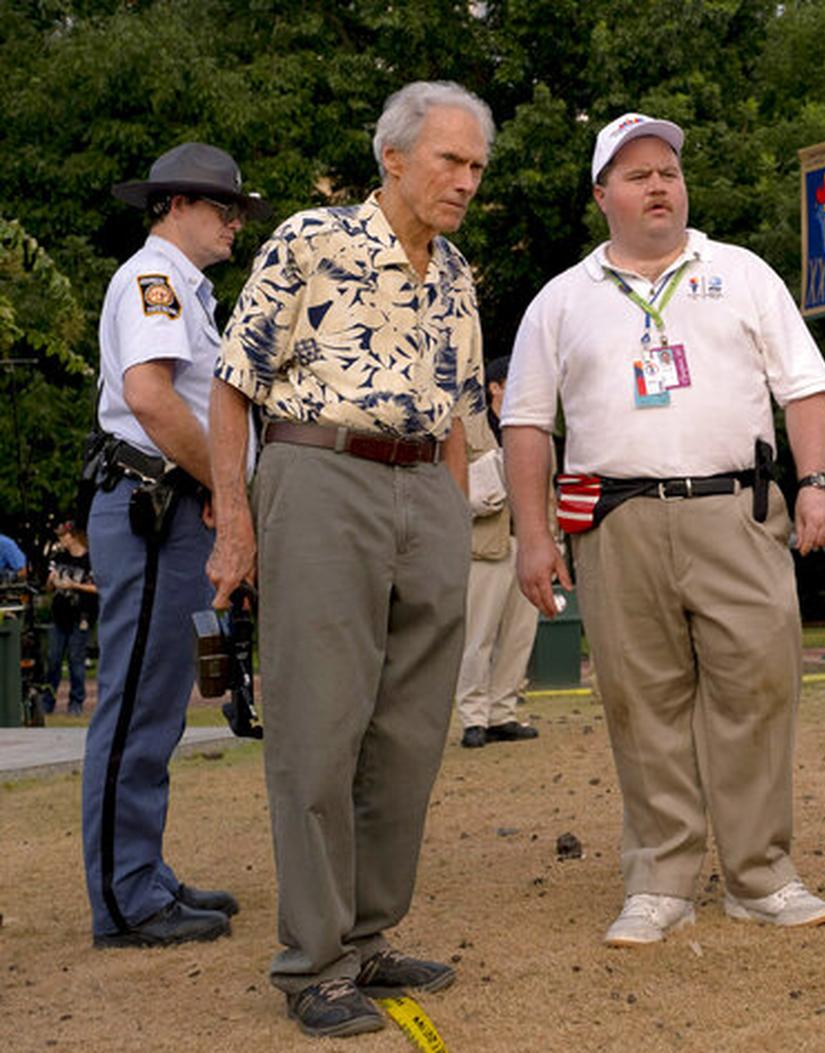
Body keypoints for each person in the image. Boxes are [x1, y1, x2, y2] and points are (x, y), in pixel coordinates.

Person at [502, 113, 825, 947]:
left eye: (669, 171)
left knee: (760, 686)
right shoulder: (561, 299)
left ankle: (761, 875)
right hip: (614, 522)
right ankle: (660, 879)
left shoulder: (743, 274)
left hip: (736, 510)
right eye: (636, 174)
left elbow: (805, 387)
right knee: (640, 698)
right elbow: (525, 424)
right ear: (601, 196)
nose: (659, 185)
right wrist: (533, 536)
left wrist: (817, 484)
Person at [208, 81, 493, 1038]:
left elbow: (459, 414)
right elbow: (233, 381)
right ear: (396, 158)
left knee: (409, 733)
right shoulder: (310, 238)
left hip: (426, 491)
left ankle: (367, 936)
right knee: (318, 727)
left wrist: (451, 519)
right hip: (320, 474)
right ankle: (312, 961)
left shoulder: (457, 274)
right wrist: (235, 522)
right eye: (451, 160)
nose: (466, 181)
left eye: (477, 167)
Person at [81, 142, 270, 950]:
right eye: (221, 207)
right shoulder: (156, 283)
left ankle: (140, 872)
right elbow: (152, 399)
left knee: (153, 707)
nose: (233, 223)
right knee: (135, 709)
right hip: (153, 507)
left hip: (163, 507)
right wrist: (230, 499)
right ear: (174, 208)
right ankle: (126, 898)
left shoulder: (181, 289)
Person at [457, 356, 541, 748]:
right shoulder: (470, 426)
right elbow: (452, 481)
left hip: (527, 541)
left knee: (520, 634)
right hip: (485, 543)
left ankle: (501, 712)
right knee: (479, 635)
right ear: (495, 386)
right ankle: (473, 717)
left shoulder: (532, 424)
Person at [43, 522, 98, 715]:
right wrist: (51, 582)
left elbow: (97, 588)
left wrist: (74, 585)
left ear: (73, 536)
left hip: (80, 616)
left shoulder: (90, 560)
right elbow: (49, 586)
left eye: (63, 536)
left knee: (76, 661)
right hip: (59, 616)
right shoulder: (59, 558)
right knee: (54, 659)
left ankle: (76, 703)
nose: (61, 540)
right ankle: (47, 701)